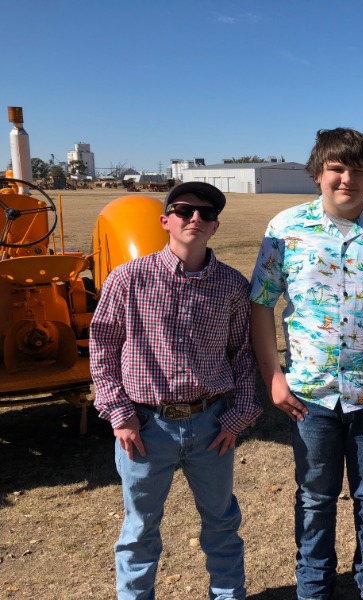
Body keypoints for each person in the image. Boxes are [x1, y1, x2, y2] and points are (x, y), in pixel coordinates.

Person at [249, 128, 363, 600]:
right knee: (315, 497)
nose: (347, 179)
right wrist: (274, 377)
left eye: (358, 170)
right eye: (336, 168)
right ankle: (314, 586)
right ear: (318, 173)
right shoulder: (285, 228)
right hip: (309, 395)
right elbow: (261, 303)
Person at [90, 181, 263, 599]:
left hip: (210, 425)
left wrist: (239, 416)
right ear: (165, 221)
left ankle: (228, 594)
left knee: (222, 522)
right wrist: (120, 414)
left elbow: (243, 354)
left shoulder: (232, 285)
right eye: (184, 210)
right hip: (146, 426)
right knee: (140, 527)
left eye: (206, 214)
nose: (195, 218)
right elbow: (103, 346)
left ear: (215, 227)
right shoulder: (128, 279)